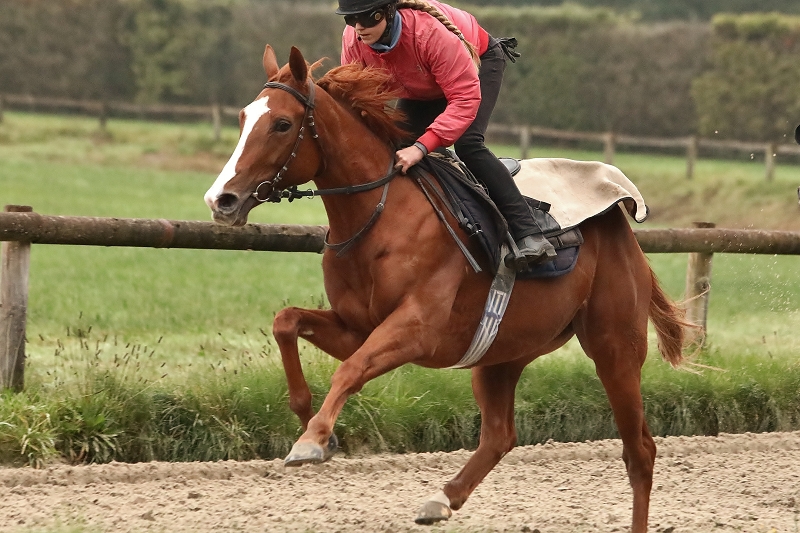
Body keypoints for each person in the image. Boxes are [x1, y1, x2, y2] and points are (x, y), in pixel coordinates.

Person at [337, 0, 557, 270]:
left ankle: (530, 233)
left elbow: (464, 98)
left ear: (389, 12)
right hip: (424, 85)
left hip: (477, 65)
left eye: (367, 18)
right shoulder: (353, 39)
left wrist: (422, 147)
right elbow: (359, 99)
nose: (358, 27)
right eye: (350, 20)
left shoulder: (429, 33)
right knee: (396, 145)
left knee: (468, 145)